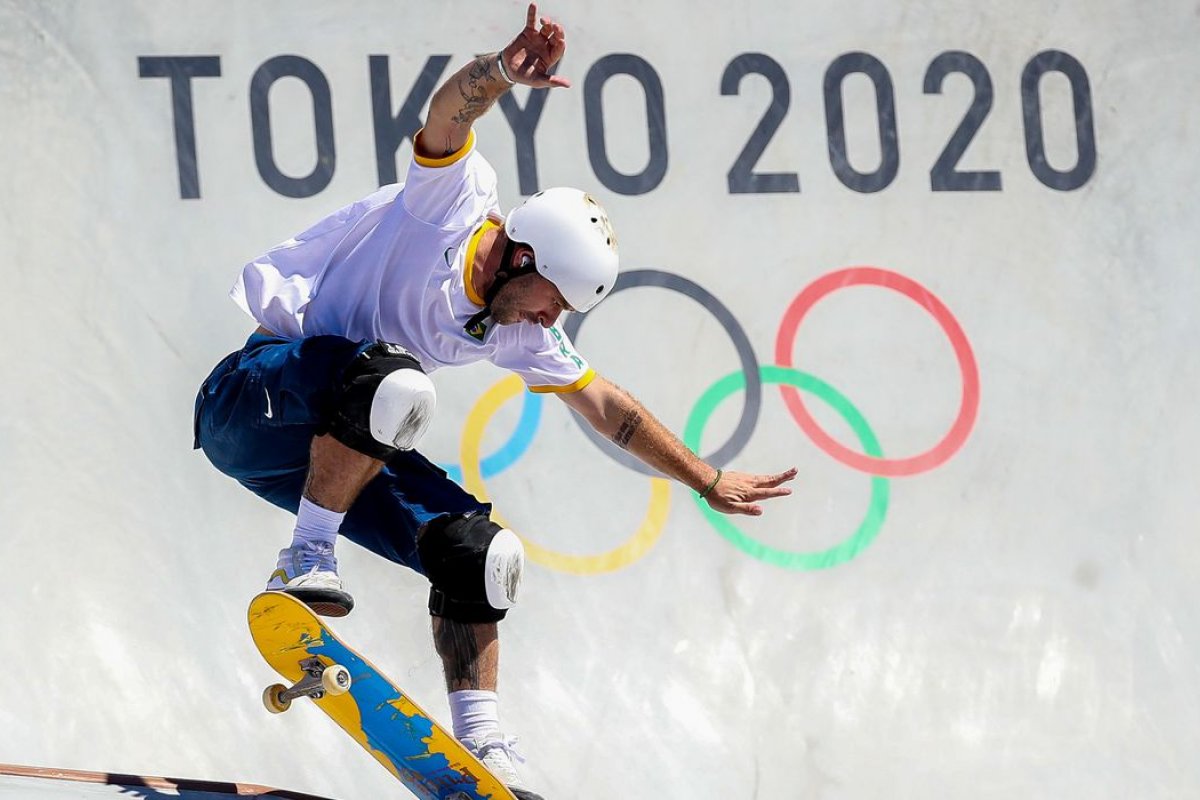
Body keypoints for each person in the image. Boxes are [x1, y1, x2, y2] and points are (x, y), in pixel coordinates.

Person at [193, 4, 796, 797]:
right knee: (392, 380)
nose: (554, 317)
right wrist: (503, 74)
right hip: (252, 402)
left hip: (327, 455)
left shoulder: (512, 327)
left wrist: (704, 479)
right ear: (521, 253)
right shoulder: (448, 205)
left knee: (482, 550)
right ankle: (305, 557)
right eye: (555, 298)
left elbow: (607, 406)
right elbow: (448, 112)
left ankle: (481, 746)